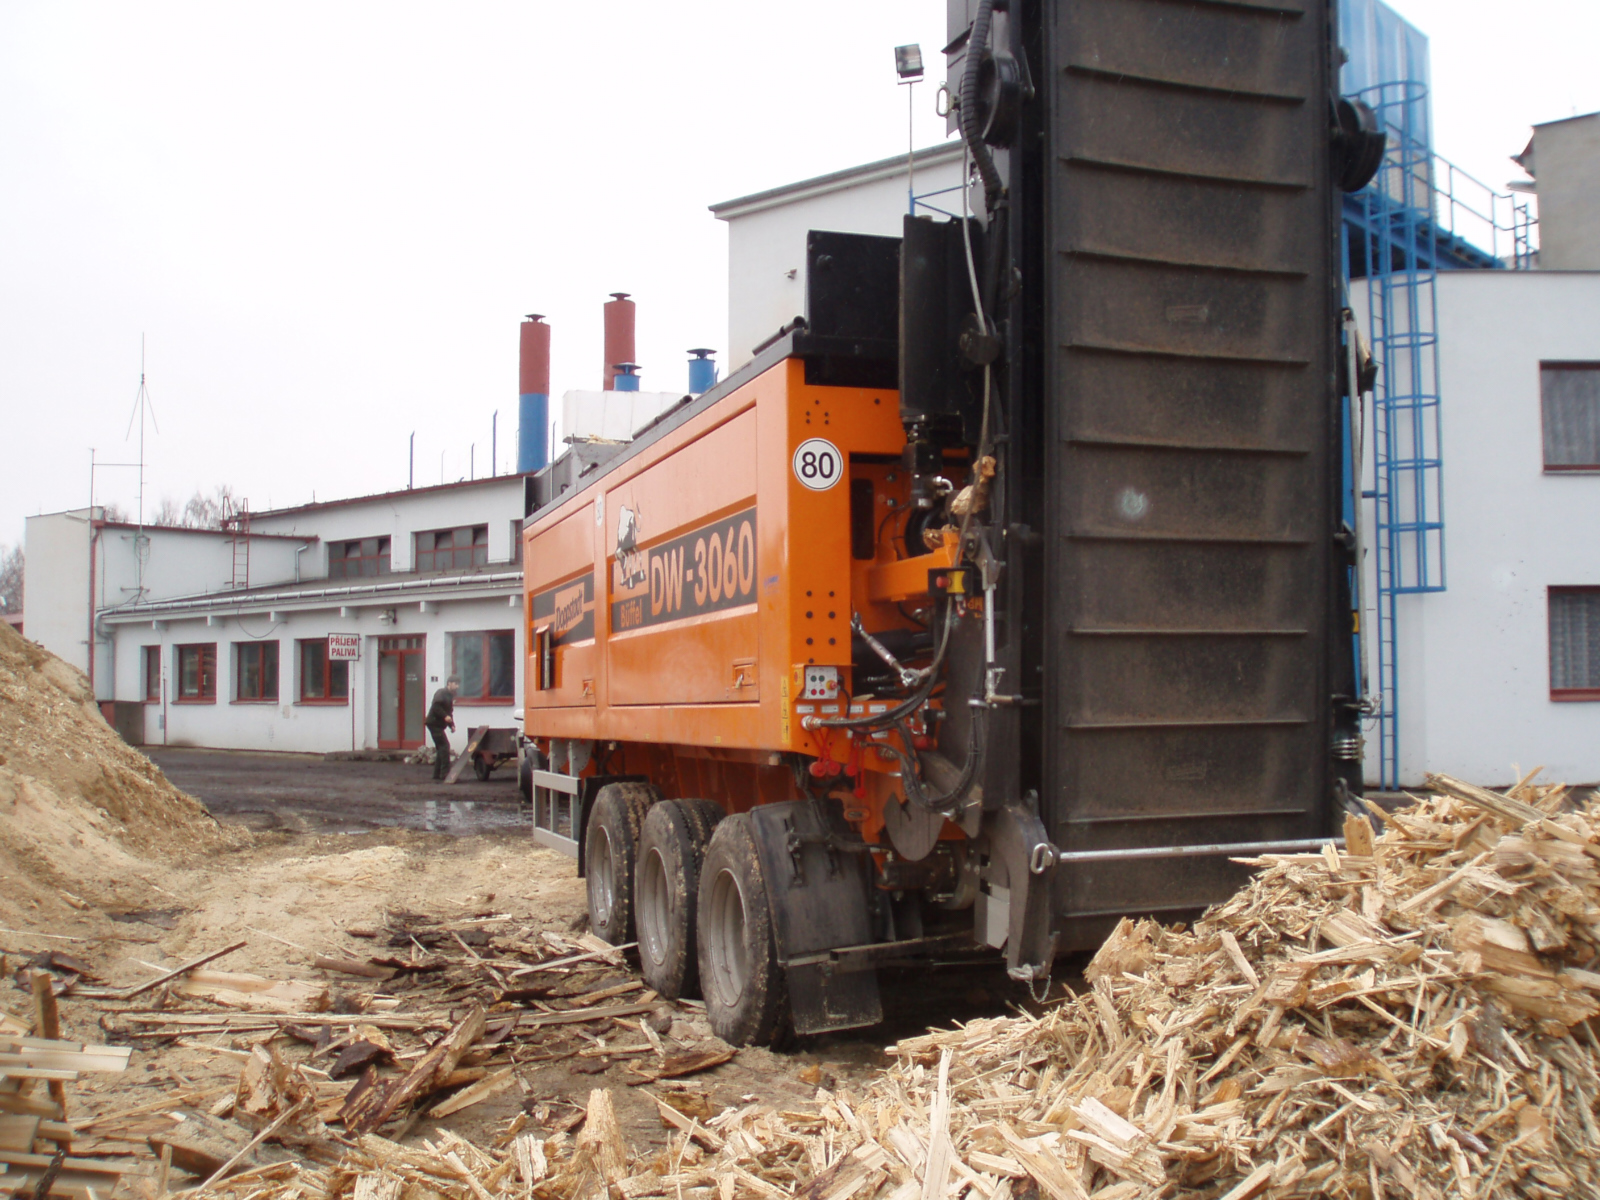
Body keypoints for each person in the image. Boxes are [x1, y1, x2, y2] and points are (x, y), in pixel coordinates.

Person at [426, 676, 460, 781]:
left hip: (438, 724)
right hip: (433, 723)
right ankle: (445, 774)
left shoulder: (450, 695)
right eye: (455, 683)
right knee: (445, 746)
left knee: (441, 748)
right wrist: (445, 716)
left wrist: (452, 725)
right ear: (449, 683)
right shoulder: (441, 693)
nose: (457, 686)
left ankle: (437, 775)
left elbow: (449, 712)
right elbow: (436, 707)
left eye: (458, 684)